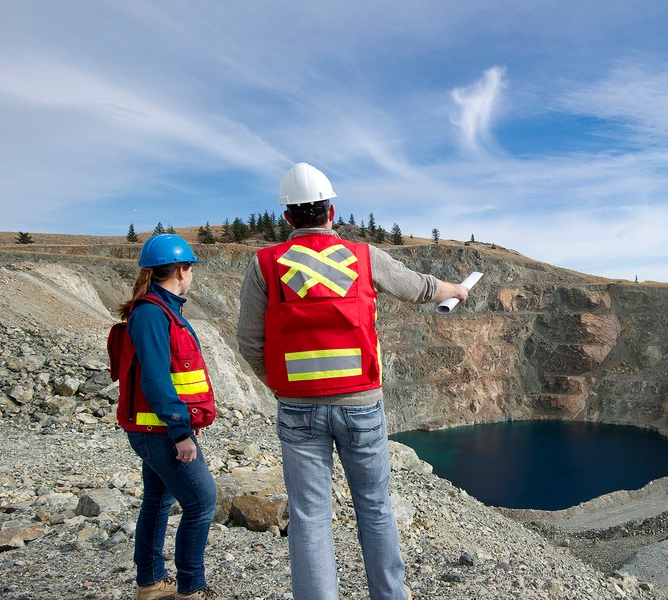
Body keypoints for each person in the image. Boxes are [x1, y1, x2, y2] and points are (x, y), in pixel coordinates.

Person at [237, 163, 469, 600]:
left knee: (309, 515)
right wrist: (455, 289)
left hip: (298, 406)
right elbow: (417, 288)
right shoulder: (362, 257)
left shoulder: (265, 264)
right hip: (361, 404)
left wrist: (281, 386)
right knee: (375, 507)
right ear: (332, 210)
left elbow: (249, 339)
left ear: (287, 217)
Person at [116, 234, 222, 600]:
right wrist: (180, 431)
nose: (192, 275)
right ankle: (191, 589)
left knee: (158, 501)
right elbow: (157, 378)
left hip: (155, 427)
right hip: (160, 430)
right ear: (181, 269)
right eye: (190, 268)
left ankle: (151, 582)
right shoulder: (151, 313)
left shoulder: (160, 309)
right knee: (202, 501)